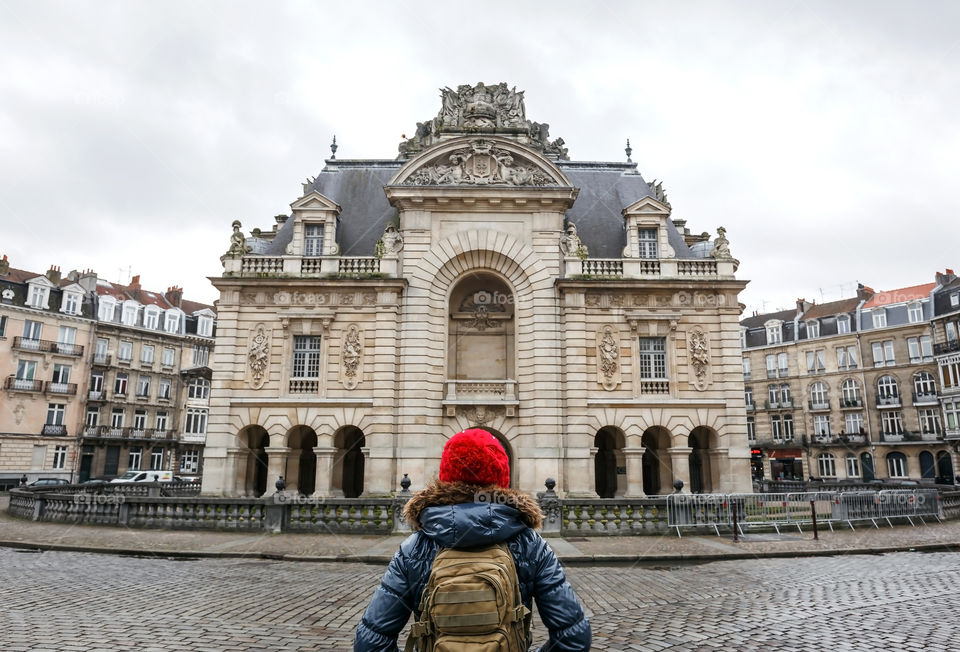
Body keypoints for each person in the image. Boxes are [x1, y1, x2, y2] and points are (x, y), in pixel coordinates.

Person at [354, 428, 591, 651]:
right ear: (501, 478)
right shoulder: (531, 544)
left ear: (445, 476)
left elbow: (370, 643)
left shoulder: (415, 547)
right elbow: (574, 637)